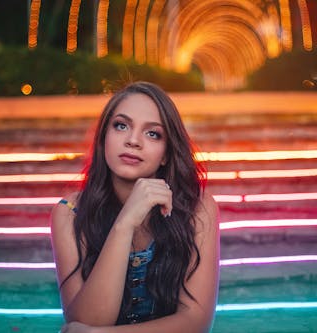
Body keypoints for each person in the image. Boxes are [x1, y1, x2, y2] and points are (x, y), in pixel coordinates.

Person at [51, 81, 220, 333]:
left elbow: (196, 322)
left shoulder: (198, 209)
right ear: (104, 138)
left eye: (153, 133)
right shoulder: (69, 213)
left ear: (165, 153)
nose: (133, 140)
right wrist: (125, 223)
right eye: (121, 126)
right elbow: (86, 321)